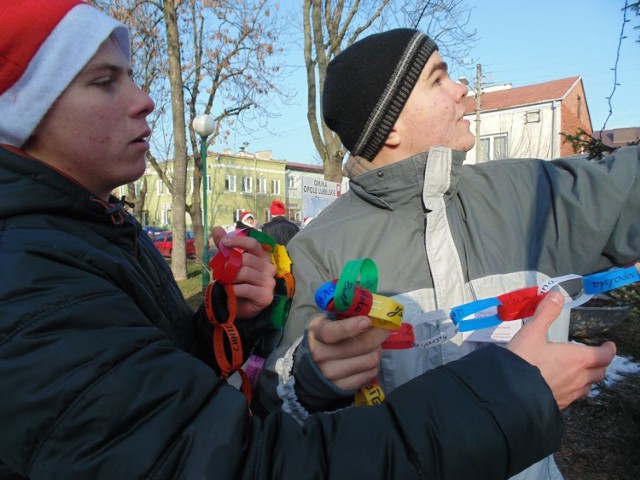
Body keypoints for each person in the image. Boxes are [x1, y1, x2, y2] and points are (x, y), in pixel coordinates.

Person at [0, 4, 617, 478]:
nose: (143, 100)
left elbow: (156, 393)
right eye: (105, 80)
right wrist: (511, 397)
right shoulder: (29, 279)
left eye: (131, 74)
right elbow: (239, 457)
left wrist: (229, 318)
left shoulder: (97, 232)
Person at [255, 28, 640, 479]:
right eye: (439, 79)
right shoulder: (319, 249)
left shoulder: (524, 194)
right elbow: (279, 422)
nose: (463, 89)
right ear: (391, 124)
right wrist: (313, 381)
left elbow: (623, 189)